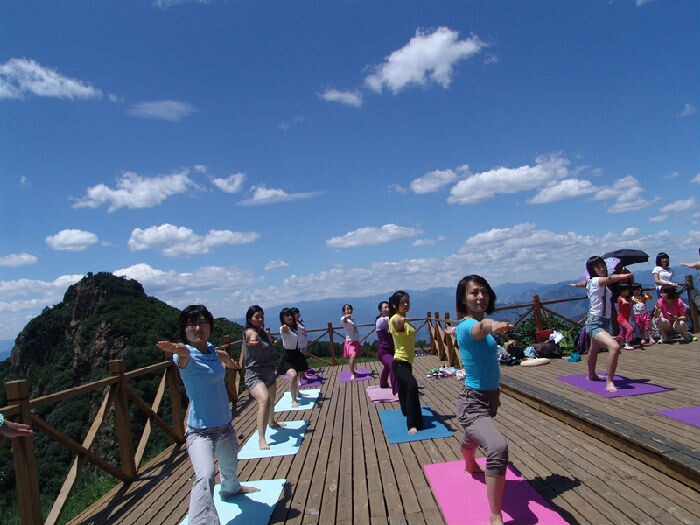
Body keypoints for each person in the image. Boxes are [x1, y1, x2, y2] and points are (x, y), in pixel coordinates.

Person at [156, 305, 258, 525]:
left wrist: (229, 362)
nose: (197, 328)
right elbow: (183, 352)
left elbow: (219, 353)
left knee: (229, 465)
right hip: (200, 432)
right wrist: (175, 348)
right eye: (191, 324)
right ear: (184, 330)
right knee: (205, 475)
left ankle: (231, 489)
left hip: (225, 425)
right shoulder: (185, 356)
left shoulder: (211, 350)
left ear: (210, 326)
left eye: (202, 323)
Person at [454, 275, 514, 525]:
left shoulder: (473, 325)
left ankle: (469, 464)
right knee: (497, 448)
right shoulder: (469, 326)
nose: (481, 297)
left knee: (473, 435)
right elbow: (481, 327)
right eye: (474, 292)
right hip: (473, 402)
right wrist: (493, 324)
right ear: (463, 298)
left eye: (485, 292)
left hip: (490, 399)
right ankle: (495, 515)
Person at [584, 256, 634, 393]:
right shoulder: (596, 281)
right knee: (615, 347)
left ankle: (591, 375)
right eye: (597, 267)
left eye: (602, 265)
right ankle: (609, 382)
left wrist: (577, 285)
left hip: (604, 321)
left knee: (594, 350)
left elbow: (605, 281)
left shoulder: (596, 282)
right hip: (595, 322)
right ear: (592, 270)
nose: (601, 268)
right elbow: (610, 278)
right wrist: (622, 275)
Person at [242, 305, 284, 450]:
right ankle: (261, 438)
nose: (260, 319)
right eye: (257, 317)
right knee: (264, 400)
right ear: (250, 319)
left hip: (269, 372)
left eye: (262, 316)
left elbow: (271, 342)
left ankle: (272, 421)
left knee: (271, 400)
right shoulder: (250, 331)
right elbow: (251, 337)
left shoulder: (263, 332)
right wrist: (253, 340)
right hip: (254, 374)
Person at [388, 290, 423, 434]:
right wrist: (400, 322)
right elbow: (396, 323)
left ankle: (405, 410)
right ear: (395, 305)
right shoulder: (395, 319)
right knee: (412, 385)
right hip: (399, 362)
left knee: (403, 388)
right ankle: (412, 424)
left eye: (408, 301)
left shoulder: (403, 317)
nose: (406, 304)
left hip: (407, 362)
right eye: (403, 302)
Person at [278, 307, 310, 407]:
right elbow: (283, 330)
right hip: (288, 355)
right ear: (282, 318)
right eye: (287, 316)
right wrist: (285, 328)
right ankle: (294, 399)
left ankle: (298, 392)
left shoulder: (295, 327)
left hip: (297, 353)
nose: (289, 317)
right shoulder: (283, 328)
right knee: (293, 375)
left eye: (290, 315)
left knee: (298, 373)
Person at [375, 300, 396, 393]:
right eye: (385, 307)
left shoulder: (391, 320)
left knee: (387, 366)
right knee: (392, 364)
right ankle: (397, 388)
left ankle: (383, 383)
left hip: (392, 350)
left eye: (388, 307)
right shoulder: (380, 320)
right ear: (381, 311)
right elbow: (390, 319)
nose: (387, 309)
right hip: (384, 352)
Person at [340, 304, 362, 379]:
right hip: (350, 341)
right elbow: (343, 319)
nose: (349, 310)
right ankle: (352, 373)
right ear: (344, 311)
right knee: (352, 356)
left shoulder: (352, 319)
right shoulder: (344, 319)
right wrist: (346, 316)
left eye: (350, 309)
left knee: (354, 357)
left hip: (356, 340)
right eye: (347, 309)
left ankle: (353, 370)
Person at [616, 284, 635, 350]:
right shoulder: (620, 298)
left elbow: (629, 307)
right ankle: (627, 344)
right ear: (622, 291)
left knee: (623, 332)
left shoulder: (627, 298)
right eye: (627, 290)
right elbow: (623, 300)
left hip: (626, 318)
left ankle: (616, 341)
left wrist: (632, 303)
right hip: (622, 318)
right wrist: (625, 302)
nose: (628, 291)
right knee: (630, 329)